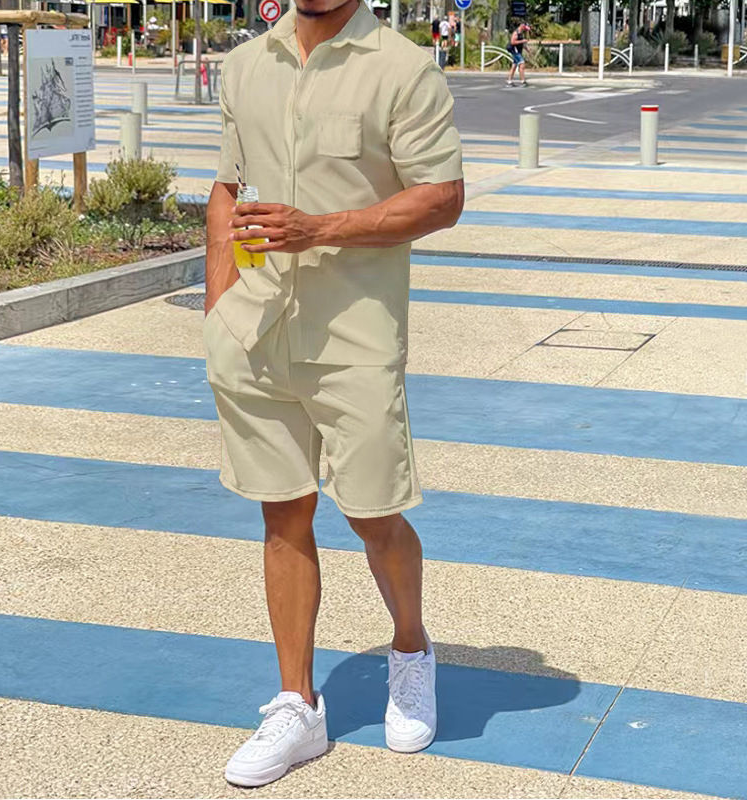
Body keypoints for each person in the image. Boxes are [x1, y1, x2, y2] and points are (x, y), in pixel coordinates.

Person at [203, 0, 464, 787]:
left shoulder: (403, 68)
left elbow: (442, 197)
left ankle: (411, 651)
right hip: (256, 331)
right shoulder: (245, 66)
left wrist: (318, 229)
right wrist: (218, 307)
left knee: (375, 515)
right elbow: (225, 188)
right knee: (282, 516)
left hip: (356, 336)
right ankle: (297, 705)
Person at [506, 21, 530, 86]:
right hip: (514, 50)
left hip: (518, 50)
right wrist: (522, 41)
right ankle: (523, 81)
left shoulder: (521, 33)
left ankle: (509, 81)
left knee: (514, 65)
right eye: (525, 28)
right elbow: (513, 42)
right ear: (522, 25)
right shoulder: (516, 32)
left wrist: (526, 49)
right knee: (522, 64)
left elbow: (522, 43)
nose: (525, 29)